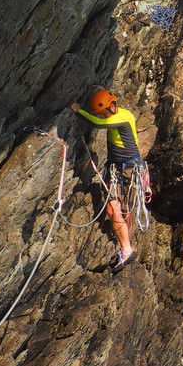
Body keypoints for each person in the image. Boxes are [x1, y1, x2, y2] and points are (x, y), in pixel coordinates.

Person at [68, 89, 142, 272]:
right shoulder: (117, 112)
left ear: (113, 106)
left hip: (129, 169)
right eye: (101, 113)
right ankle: (126, 247)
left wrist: (78, 111)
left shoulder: (122, 117)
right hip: (117, 168)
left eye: (104, 113)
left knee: (124, 208)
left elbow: (99, 124)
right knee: (113, 208)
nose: (102, 116)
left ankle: (126, 248)